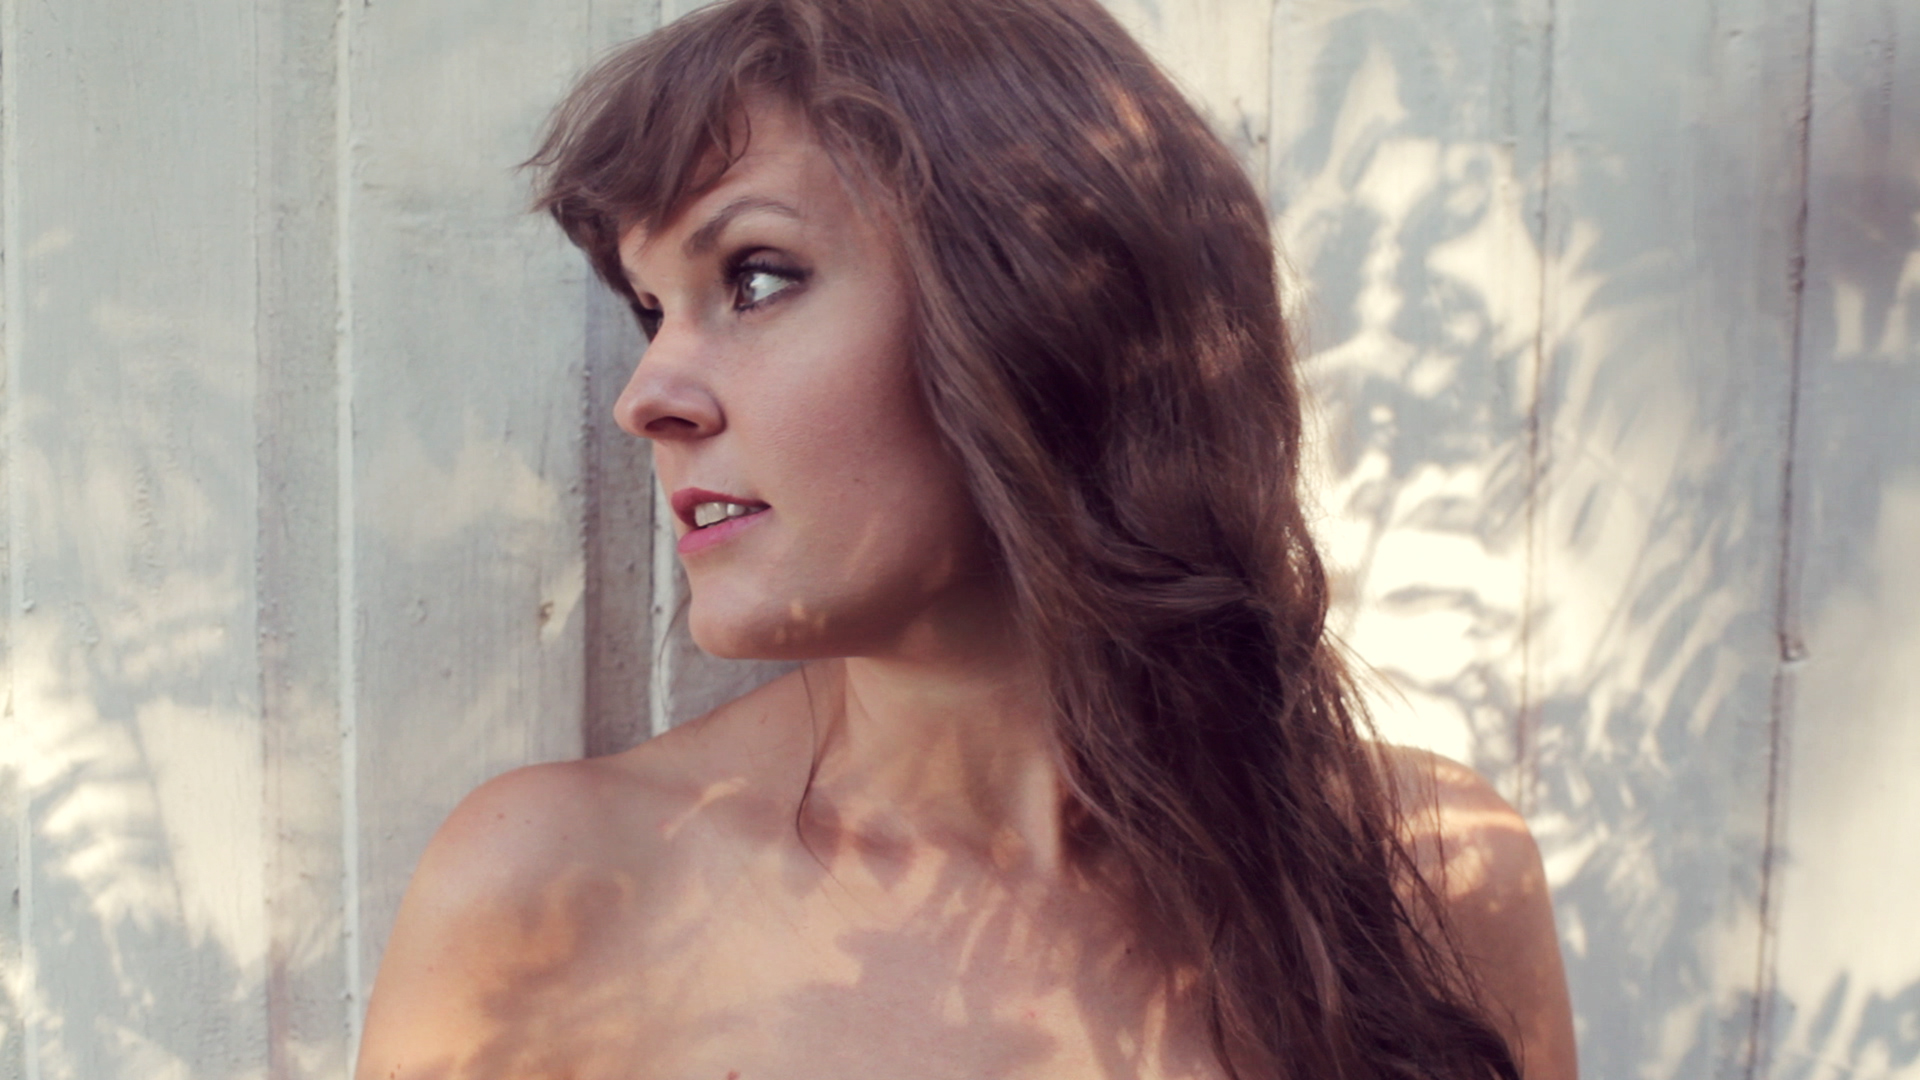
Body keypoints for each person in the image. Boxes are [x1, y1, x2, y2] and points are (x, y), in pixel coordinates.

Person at [354, 0, 1578, 1076]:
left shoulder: (1428, 877)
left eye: (757, 277)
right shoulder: (554, 891)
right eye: (651, 308)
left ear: (1046, 304)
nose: (648, 397)